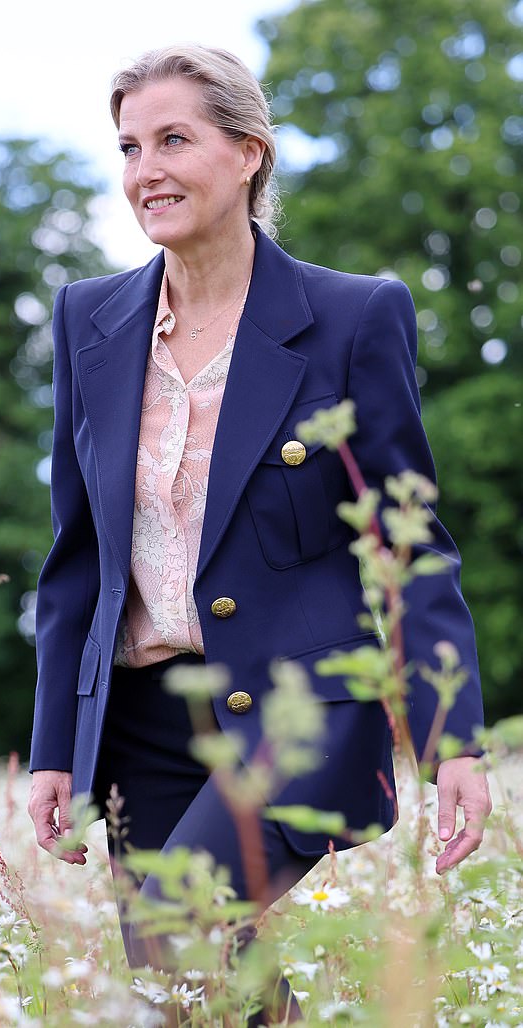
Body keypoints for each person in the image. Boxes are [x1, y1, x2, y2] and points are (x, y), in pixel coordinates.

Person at [27, 43, 491, 1022]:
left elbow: (405, 539)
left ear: (248, 153)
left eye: (172, 139)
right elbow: (77, 556)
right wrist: (52, 749)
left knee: (177, 926)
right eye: (127, 146)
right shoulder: (87, 322)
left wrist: (454, 739)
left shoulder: (353, 316)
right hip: (144, 717)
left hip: (299, 708)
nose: (143, 169)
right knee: (194, 984)